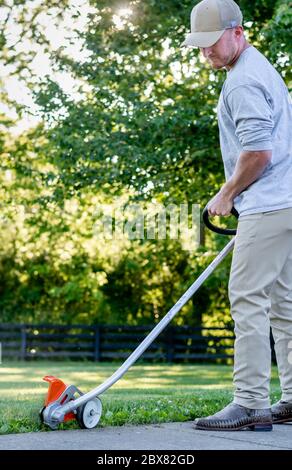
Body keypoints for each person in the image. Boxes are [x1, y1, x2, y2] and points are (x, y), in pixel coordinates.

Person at [182, 0, 292, 431]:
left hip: (267, 204)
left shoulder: (242, 82)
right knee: (284, 305)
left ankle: (249, 403)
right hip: (286, 202)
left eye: (212, 43)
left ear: (238, 32)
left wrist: (227, 193)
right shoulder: (260, 68)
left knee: (247, 298)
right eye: (200, 46)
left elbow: (259, 152)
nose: (206, 52)